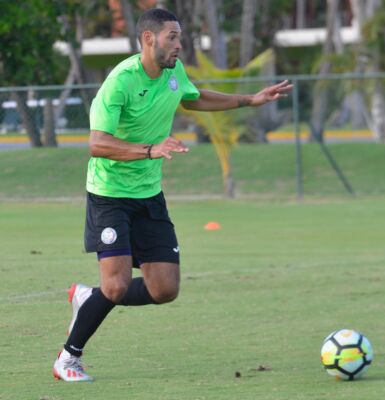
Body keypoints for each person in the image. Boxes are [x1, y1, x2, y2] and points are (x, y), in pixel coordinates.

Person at [52, 8, 292, 382]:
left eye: (179, 37)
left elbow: (193, 98)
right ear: (149, 39)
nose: (179, 45)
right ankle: (68, 358)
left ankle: (88, 298)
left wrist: (250, 100)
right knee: (115, 285)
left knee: (164, 288)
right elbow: (97, 144)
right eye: (172, 37)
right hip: (110, 195)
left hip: (149, 195)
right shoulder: (120, 82)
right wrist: (151, 149)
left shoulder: (173, 72)